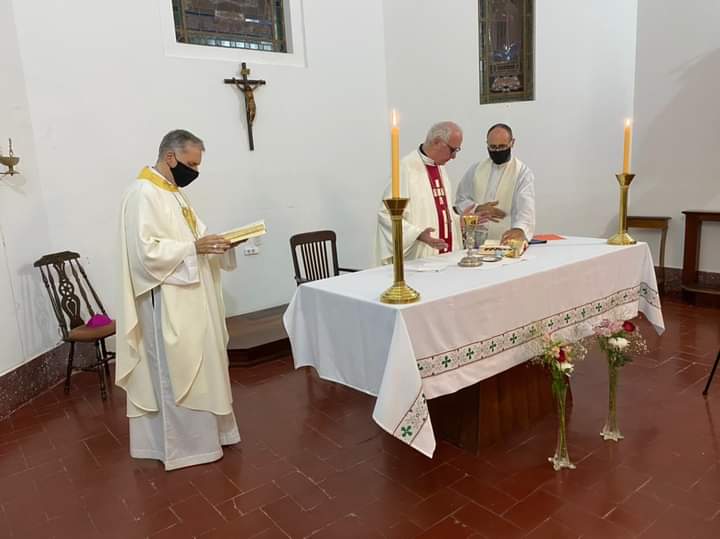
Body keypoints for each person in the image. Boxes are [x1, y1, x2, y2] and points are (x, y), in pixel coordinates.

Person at [117, 129, 241, 470]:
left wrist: (221, 244)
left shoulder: (173, 193)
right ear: (170, 157)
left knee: (203, 363)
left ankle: (211, 436)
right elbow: (144, 254)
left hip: (191, 298)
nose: (194, 172)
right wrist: (193, 248)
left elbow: (196, 236)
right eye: (191, 163)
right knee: (177, 370)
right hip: (166, 301)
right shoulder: (142, 193)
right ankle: (184, 446)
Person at [375, 121, 464, 264]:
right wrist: (418, 234)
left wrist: (461, 220)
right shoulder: (405, 169)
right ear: (436, 142)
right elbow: (386, 214)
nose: (454, 156)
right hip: (419, 258)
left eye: (457, 150)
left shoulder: (440, 168)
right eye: (452, 149)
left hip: (446, 256)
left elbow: (438, 211)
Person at [454, 123, 536, 244]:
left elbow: (525, 209)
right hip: (474, 237)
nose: (497, 151)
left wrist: (520, 229)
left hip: (504, 238)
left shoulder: (522, 173)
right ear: (487, 144)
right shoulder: (476, 169)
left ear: (512, 143)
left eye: (502, 146)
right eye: (493, 147)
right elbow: (461, 199)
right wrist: (477, 208)